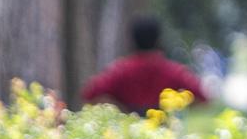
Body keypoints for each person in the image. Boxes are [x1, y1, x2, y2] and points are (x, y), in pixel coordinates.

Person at [80, 15, 208, 113]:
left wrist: (120, 108)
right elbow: (202, 97)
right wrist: (174, 107)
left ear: (132, 40)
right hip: (163, 137)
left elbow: (90, 94)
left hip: (127, 135)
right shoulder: (172, 71)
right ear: (158, 39)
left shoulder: (121, 70)